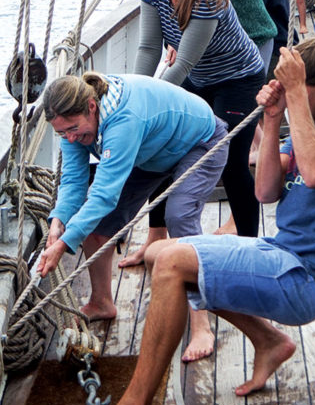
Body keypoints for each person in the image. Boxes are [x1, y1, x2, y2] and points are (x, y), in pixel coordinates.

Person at [58, 38, 315, 405]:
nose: (290, 101)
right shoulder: (306, 128)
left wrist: (293, 104)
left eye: (295, 90)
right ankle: (268, 340)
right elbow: (266, 190)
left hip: (310, 277)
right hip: (281, 254)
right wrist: (271, 119)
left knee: (174, 260)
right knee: (162, 253)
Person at [122, 0, 265, 332]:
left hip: (239, 78)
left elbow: (181, 62)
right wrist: (137, 92)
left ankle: (248, 252)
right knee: (170, 150)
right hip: (200, 79)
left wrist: (147, 101)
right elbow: (150, 48)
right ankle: (159, 236)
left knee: (233, 165)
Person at [37, 72, 229, 334]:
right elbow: (73, 182)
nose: (69, 138)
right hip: (152, 152)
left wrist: (63, 244)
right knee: (98, 224)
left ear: (91, 107)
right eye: (61, 132)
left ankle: (201, 321)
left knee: (179, 216)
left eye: (73, 129)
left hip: (199, 140)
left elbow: (105, 194)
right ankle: (101, 302)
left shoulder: (123, 120)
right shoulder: (72, 129)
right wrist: (58, 221)